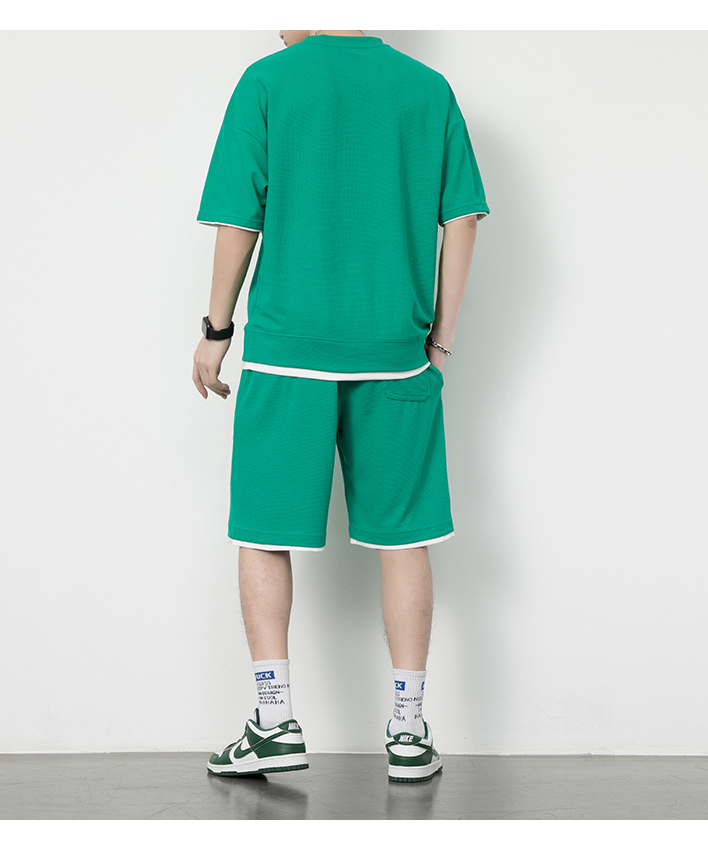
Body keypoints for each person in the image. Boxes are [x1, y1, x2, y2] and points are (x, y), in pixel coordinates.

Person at [192, 29, 490, 783]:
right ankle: (409, 731)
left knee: (264, 533)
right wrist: (441, 339)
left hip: (288, 351)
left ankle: (273, 723)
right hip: (396, 353)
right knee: (405, 537)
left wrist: (217, 330)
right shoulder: (427, 89)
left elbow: (239, 219)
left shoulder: (268, 81)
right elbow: (461, 219)